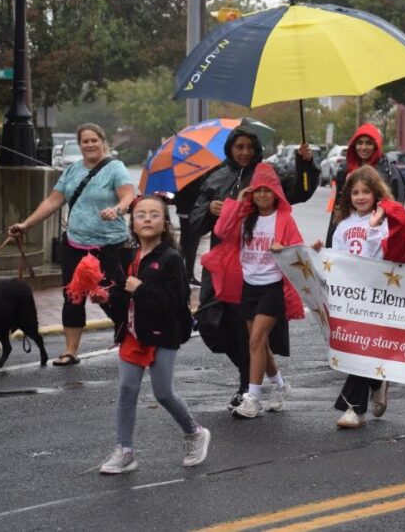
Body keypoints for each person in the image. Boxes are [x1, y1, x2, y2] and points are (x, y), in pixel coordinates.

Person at [188, 125, 318, 409]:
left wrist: (305, 163)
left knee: (249, 332)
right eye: (239, 147)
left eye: (249, 147)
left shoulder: (267, 175)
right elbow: (195, 221)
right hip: (224, 265)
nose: (245, 153)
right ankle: (264, 379)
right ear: (230, 149)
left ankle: (249, 387)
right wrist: (210, 209)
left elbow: (301, 190)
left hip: (260, 272)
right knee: (211, 324)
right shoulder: (216, 177)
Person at [98, 195, 210, 474]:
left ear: (165, 223)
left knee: (163, 393)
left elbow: (176, 302)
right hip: (132, 334)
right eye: (140, 215)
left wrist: (141, 289)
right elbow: (122, 305)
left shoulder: (172, 259)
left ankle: (195, 432)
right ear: (132, 224)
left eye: (154, 215)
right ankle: (125, 451)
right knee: (126, 391)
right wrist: (106, 300)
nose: (147, 219)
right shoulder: (128, 257)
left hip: (163, 334)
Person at [9, 123, 135, 366]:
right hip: (76, 244)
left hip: (109, 246)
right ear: (80, 146)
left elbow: (128, 195)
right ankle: (70, 351)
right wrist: (26, 225)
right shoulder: (72, 171)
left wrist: (117, 209)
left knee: (112, 295)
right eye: (84, 141)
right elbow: (52, 201)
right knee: (73, 296)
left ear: (103, 141)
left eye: (93, 140)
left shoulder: (115, 168)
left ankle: (130, 339)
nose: (89, 145)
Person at [312, 165, 405, 429]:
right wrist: (320, 254)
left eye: (366, 191)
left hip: (378, 294)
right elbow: (339, 259)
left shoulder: (386, 222)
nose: (360, 197)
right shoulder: (343, 224)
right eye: (355, 192)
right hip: (351, 295)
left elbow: (384, 255)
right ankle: (377, 382)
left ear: (376, 193)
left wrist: (374, 225)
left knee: (365, 347)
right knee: (358, 347)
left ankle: (353, 409)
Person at [202, 163, 305, 419]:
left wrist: (285, 249)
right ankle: (281, 386)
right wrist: (237, 201)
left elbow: (298, 250)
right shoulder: (246, 217)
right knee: (261, 345)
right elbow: (221, 230)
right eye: (257, 191)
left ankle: (252, 398)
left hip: (272, 288)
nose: (261, 196)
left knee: (255, 341)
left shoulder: (284, 219)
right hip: (248, 287)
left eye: (267, 191)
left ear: (276, 194)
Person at [326, 123, 405, 247]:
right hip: (349, 231)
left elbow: (398, 205)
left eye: (368, 143)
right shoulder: (344, 170)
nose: (363, 147)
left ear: (376, 145)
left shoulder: (389, 171)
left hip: (378, 230)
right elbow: (337, 206)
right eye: (360, 143)